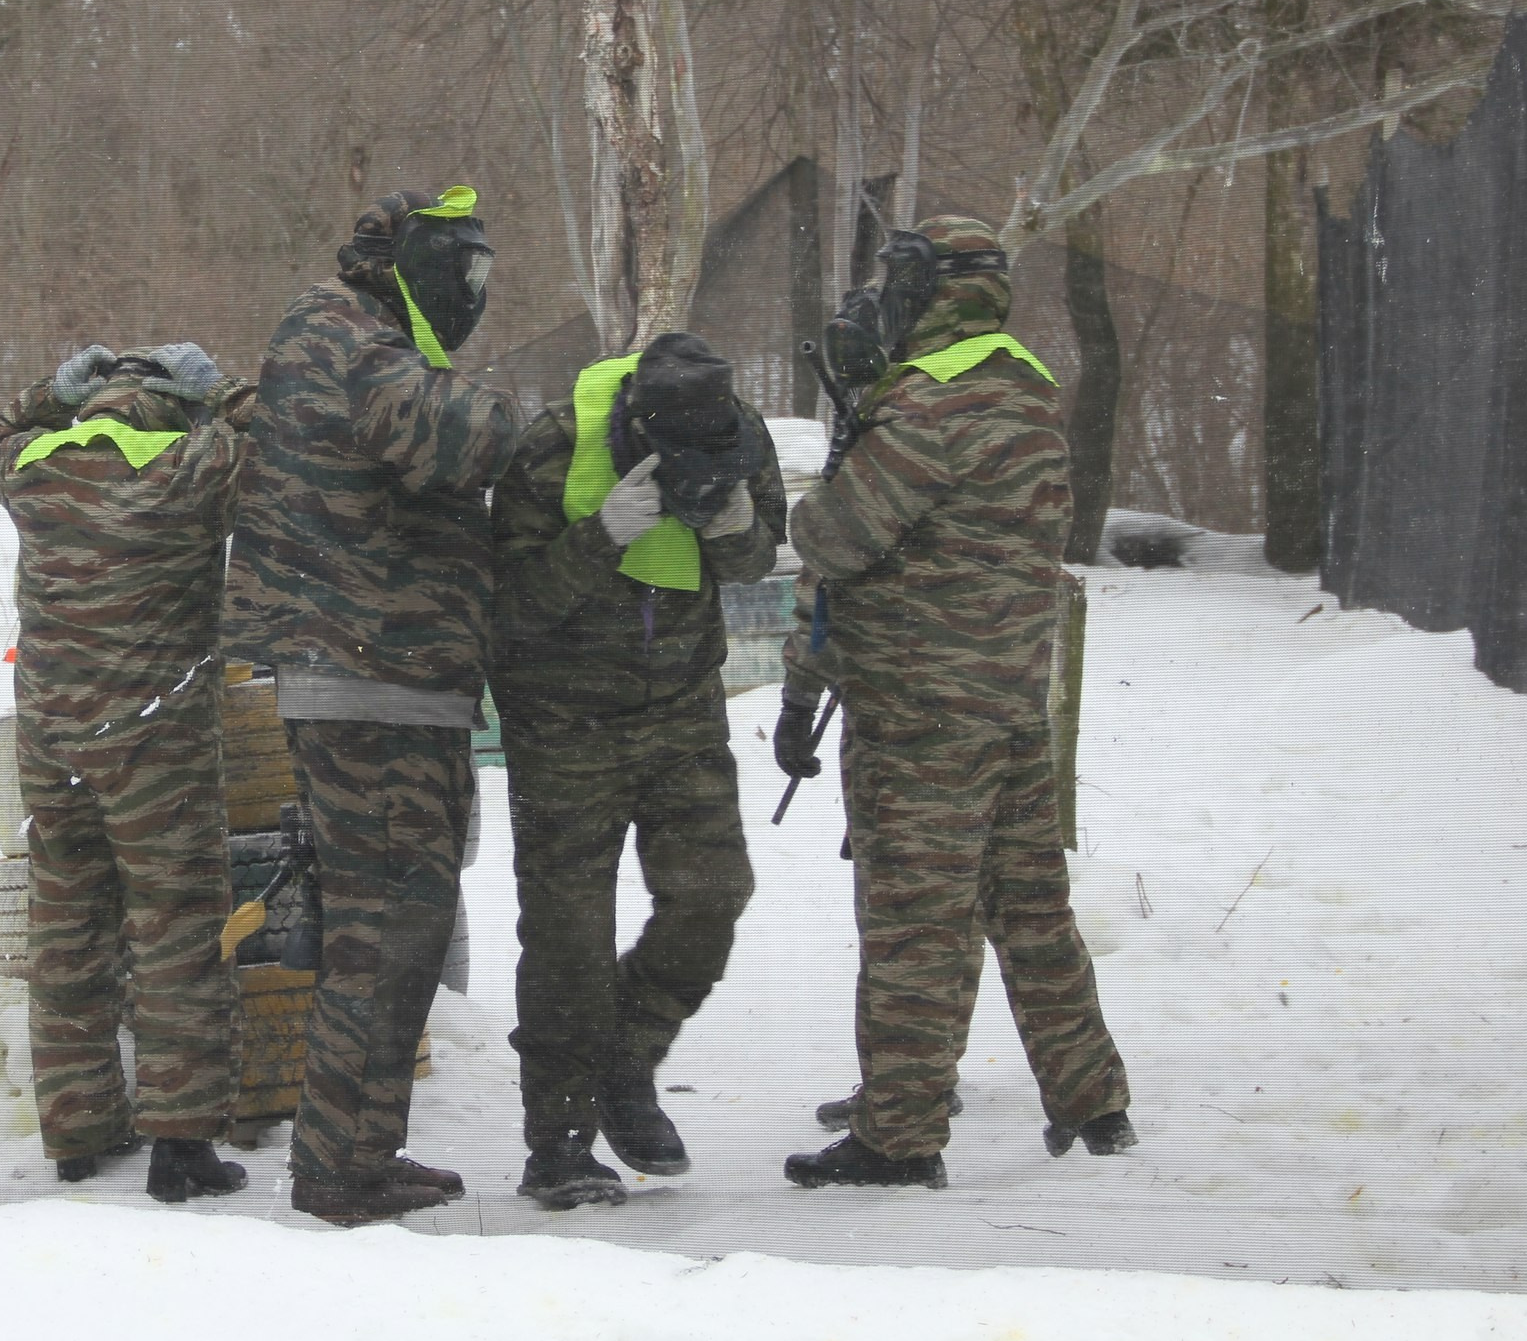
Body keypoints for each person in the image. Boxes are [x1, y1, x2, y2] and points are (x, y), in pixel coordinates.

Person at [775, 215, 1134, 1190]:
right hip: (1009, 698)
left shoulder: (930, 407)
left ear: (926, 292)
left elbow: (832, 539)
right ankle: (1091, 1096)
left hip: (921, 710)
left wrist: (834, 471)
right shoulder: (1024, 389)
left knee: (913, 922)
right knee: (1027, 907)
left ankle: (898, 1134)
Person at [225, 186, 520, 1224]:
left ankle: (354, 1151)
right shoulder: (353, 341)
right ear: (412, 265)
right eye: (463, 273)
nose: (473, 296)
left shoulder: (353, 333)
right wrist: (559, 432)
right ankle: (339, 1166)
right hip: (370, 678)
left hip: (383, 677)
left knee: (393, 923)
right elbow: (454, 438)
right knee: (385, 927)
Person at [490, 331, 783, 1209]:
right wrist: (601, 536)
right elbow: (508, 611)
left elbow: (759, 557)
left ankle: (627, 1058)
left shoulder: (741, 435)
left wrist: (735, 528)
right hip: (562, 719)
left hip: (682, 708)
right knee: (568, 939)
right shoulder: (552, 445)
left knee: (712, 894)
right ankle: (562, 1142)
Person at [0, 342, 255, 1204]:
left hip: (50, 741)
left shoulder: (32, 467)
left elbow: (1, 428)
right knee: (173, 929)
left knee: (66, 928)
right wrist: (220, 388)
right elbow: (285, 440)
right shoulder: (189, 466)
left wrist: (51, 386)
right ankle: (181, 1144)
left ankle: (76, 1129)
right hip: (152, 742)